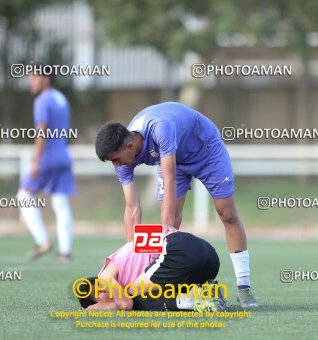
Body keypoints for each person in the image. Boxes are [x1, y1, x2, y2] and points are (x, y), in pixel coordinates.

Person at [94, 102, 258, 308]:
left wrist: (164, 231)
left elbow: (169, 178)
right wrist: (133, 256)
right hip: (172, 160)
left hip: (206, 150)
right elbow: (132, 208)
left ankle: (244, 288)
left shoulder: (160, 128)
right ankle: (181, 287)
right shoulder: (123, 155)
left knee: (226, 213)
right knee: (172, 227)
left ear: (129, 146)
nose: (116, 166)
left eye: (116, 160)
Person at [77, 229, 227, 312]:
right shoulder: (121, 261)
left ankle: (196, 300)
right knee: (152, 290)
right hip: (210, 258)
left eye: (99, 298)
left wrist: (103, 308)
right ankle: (207, 294)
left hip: (178, 250)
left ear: (98, 292)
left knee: (133, 297)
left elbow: (125, 305)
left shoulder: (104, 276)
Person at [17, 64, 75, 261]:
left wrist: (36, 161)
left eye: (34, 78)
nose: (30, 82)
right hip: (63, 156)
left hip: (48, 157)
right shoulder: (61, 98)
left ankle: (43, 241)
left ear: (46, 79)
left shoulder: (42, 100)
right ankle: (65, 251)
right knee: (60, 202)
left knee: (24, 195)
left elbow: (42, 130)